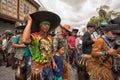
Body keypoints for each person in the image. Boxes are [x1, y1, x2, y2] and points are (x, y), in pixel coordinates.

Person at [22, 11, 61, 80]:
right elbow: (25, 40)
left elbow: (50, 52)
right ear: (40, 26)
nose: (47, 26)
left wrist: (53, 62)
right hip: (38, 68)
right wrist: (29, 22)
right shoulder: (35, 36)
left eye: (48, 25)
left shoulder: (49, 38)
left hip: (48, 67)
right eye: (45, 24)